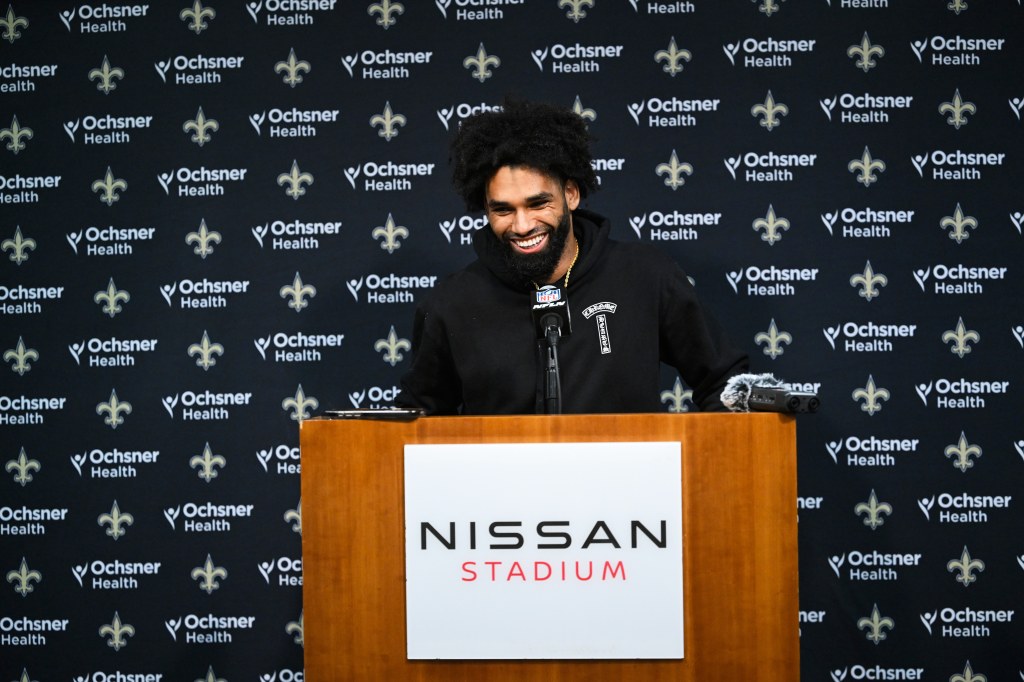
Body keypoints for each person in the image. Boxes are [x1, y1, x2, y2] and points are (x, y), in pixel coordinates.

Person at [397, 99, 748, 415]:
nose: (522, 225)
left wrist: (709, 455)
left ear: (571, 194)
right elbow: (418, 419)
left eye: (538, 204)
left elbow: (724, 384)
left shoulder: (644, 275)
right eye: (503, 210)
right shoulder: (452, 303)